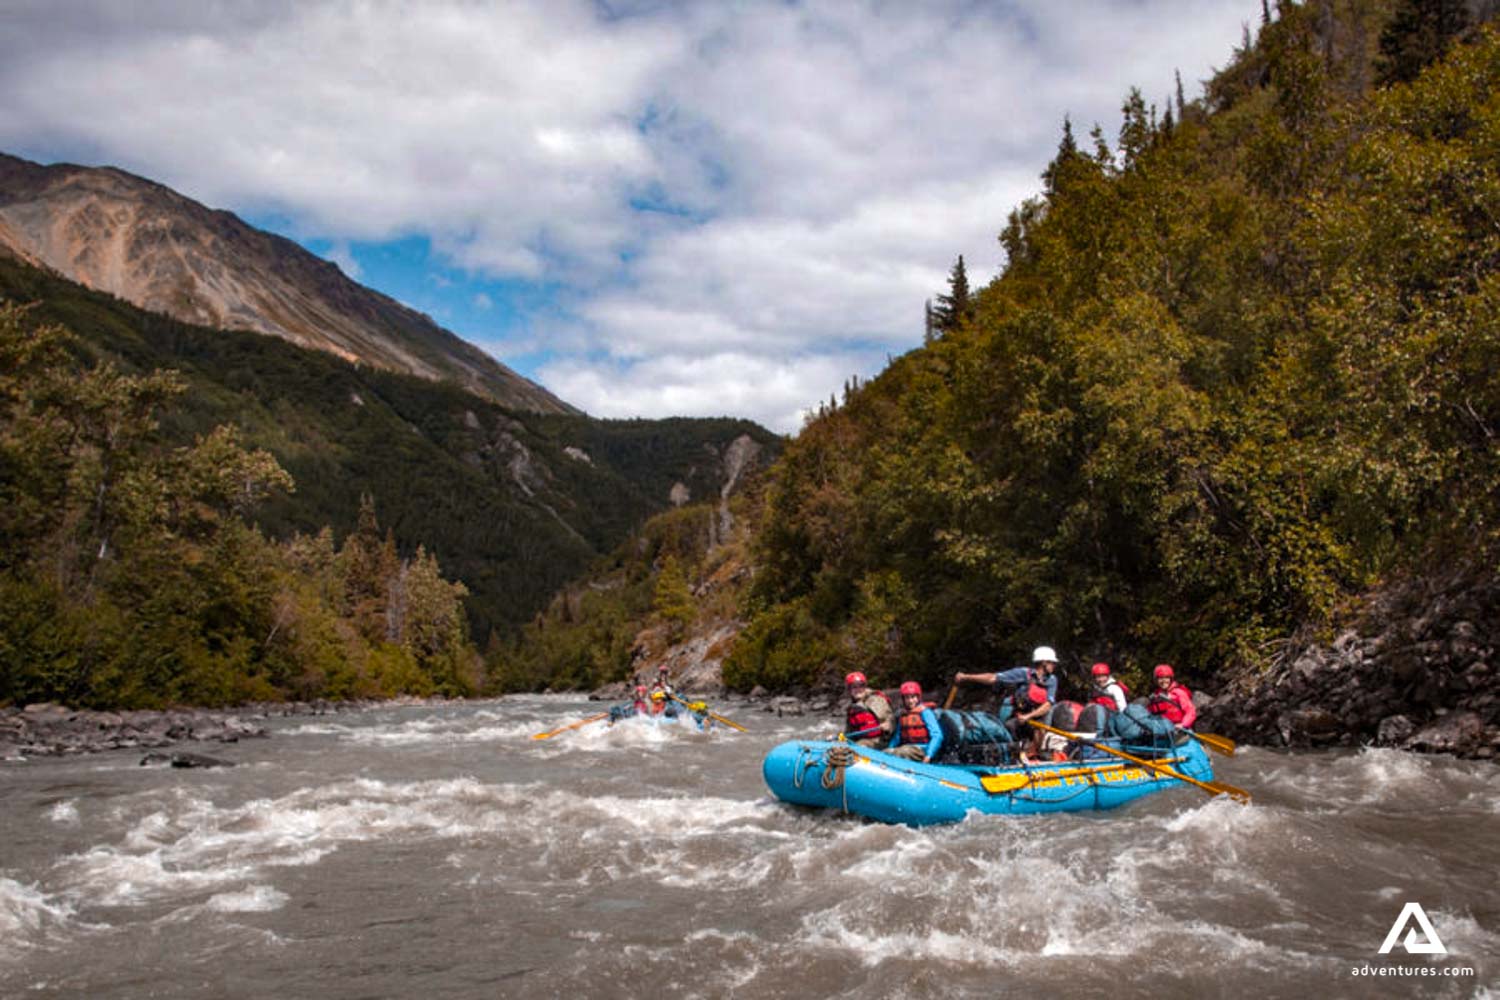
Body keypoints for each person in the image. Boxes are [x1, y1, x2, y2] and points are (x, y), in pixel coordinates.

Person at [887, 681, 943, 762]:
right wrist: (890, 748)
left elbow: (937, 735)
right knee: (888, 752)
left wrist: (929, 755)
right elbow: (897, 736)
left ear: (918, 697)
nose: (910, 701)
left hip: (923, 749)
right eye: (907, 698)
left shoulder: (925, 712)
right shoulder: (903, 714)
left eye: (913, 697)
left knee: (903, 751)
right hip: (907, 748)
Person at [842, 671, 894, 748]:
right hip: (862, 741)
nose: (858, 690)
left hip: (879, 741)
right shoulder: (852, 708)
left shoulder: (875, 700)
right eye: (854, 687)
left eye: (860, 686)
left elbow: (891, 720)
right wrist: (840, 738)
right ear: (849, 690)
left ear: (864, 687)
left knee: (860, 745)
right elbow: (848, 733)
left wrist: (888, 725)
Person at [1146, 664, 1196, 730]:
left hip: (1181, 731)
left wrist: (1183, 725)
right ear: (1156, 680)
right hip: (1164, 732)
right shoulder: (1156, 696)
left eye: (1166, 677)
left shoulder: (1178, 693)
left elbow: (1190, 712)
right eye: (1160, 678)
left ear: (1171, 679)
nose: (1164, 681)